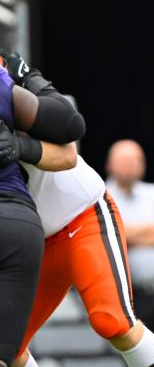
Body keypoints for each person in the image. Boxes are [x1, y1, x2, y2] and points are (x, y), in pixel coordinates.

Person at [9, 152, 154, 367]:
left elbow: (67, 147)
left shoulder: (16, 118)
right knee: (7, 346)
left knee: (113, 321)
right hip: (31, 240)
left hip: (81, 217)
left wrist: (21, 146)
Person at [0, 52, 86, 367]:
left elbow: (69, 151)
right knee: (13, 353)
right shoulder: (4, 84)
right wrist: (29, 76)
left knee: (115, 321)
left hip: (61, 218)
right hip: (19, 222)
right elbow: (70, 123)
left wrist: (23, 147)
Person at [106, 140, 154, 353]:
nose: (131, 165)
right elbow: (110, 236)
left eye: (136, 160)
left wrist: (128, 235)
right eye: (125, 160)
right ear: (109, 164)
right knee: (131, 353)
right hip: (125, 298)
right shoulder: (101, 196)